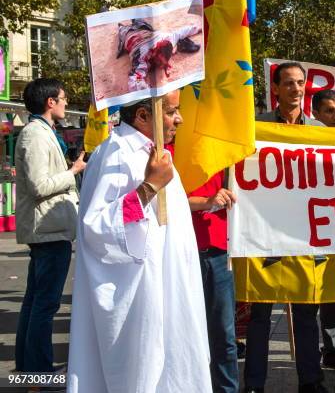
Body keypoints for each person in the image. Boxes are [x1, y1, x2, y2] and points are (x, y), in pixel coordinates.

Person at [67, 90, 212, 393]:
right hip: (140, 296)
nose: (180, 119)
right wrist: (149, 187)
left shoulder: (155, 151)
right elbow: (99, 226)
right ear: (143, 116)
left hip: (170, 284)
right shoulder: (116, 153)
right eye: (172, 111)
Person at [245, 62, 327, 393]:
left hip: (304, 233)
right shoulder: (255, 128)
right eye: (289, 83)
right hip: (264, 232)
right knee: (260, 316)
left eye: (300, 83)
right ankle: (253, 384)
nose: (296, 88)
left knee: (308, 313)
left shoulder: (320, 130)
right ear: (275, 89)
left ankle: (311, 380)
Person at [14, 78, 86, 373]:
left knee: (35, 303)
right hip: (48, 230)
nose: (67, 103)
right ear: (50, 102)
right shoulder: (34, 135)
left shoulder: (43, 132)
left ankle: (30, 369)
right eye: (63, 98)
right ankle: (39, 372)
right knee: (44, 306)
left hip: (50, 229)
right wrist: (73, 171)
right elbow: (38, 185)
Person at [307, 89, 335, 371]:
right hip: (310, 229)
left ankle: (334, 349)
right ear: (316, 114)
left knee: (331, 296)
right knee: (308, 297)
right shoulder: (306, 140)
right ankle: (311, 353)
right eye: (328, 111)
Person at [187, 172, 239, 393]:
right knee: (188, 332)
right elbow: (166, 200)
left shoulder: (223, 152)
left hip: (219, 250)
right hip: (185, 254)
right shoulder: (163, 152)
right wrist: (207, 202)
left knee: (224, 333)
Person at [116, 19, 202, 92]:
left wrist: (198, 28)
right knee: (123, 29)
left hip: (146, 30)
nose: (161, 64)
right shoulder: (142, 57)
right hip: (130, 35)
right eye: (159, 60)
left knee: (140, 22)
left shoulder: (167, 39)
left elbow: (180, 33)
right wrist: (145, 89)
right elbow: (135, 80)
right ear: (153, 54)